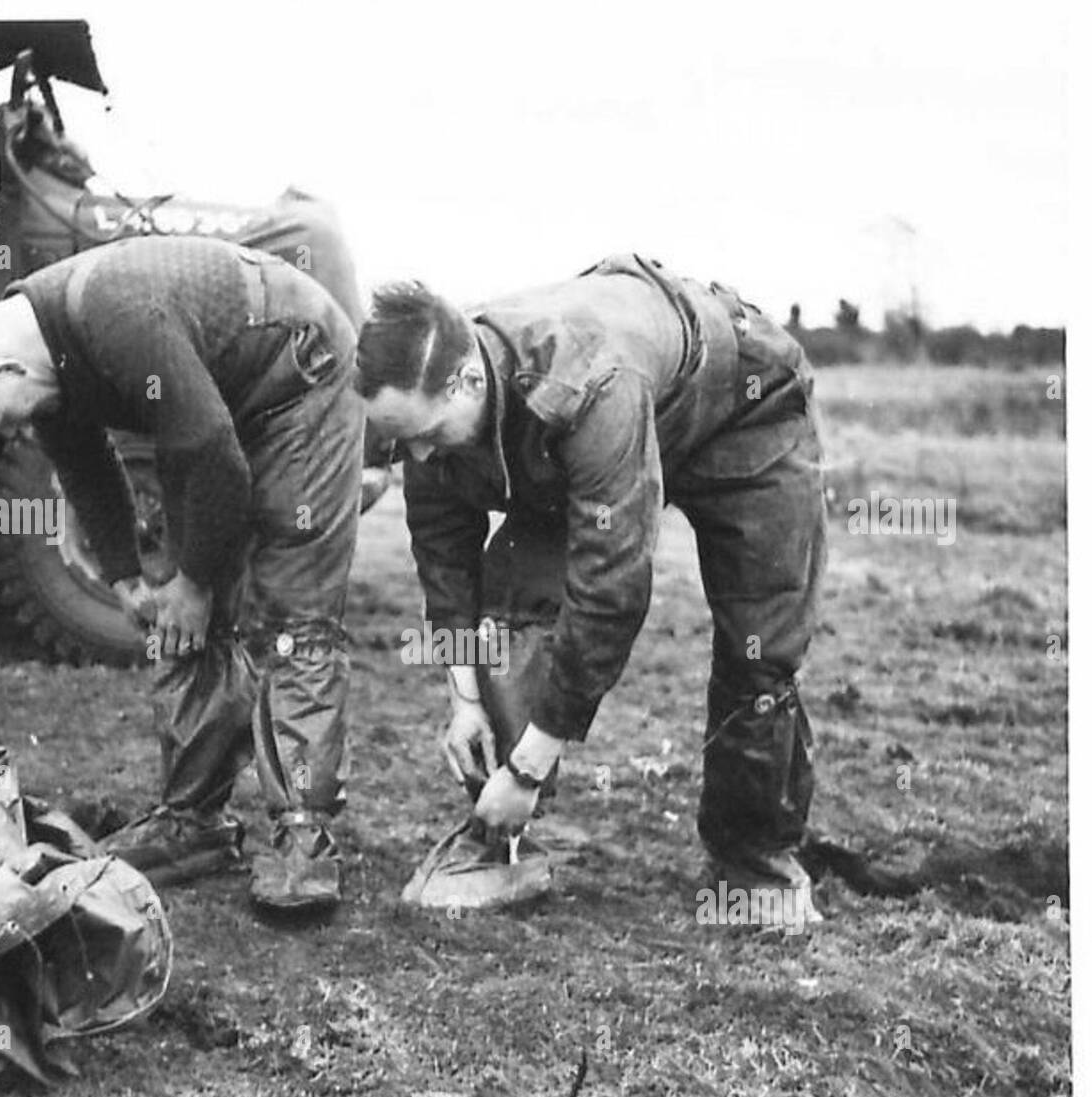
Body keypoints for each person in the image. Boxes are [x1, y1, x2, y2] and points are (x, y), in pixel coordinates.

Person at [0, 234, 364, 910]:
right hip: (209, 407)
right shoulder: (37, 352)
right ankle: (191, 820)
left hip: (295, 380)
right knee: (177, 607)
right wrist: (130, 582)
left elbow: (214, 455)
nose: (6, 430)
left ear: (1, 375)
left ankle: (304, 835)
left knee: (292, 610)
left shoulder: (114, 314)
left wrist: (198, 583)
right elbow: (83, 463)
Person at [353, 253, 828, 927]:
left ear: (466, 380)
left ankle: (754, 864)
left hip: (742, 404)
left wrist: (529, 767)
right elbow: (443, 558)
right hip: (616, 418)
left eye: (428, 437)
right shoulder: (428, 421)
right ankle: (502, 839)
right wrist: (463, 698)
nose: (421, 460)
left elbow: (609, 591)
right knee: (514, 606)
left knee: (761, 649)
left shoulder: (584, 382)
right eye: (404, 445)